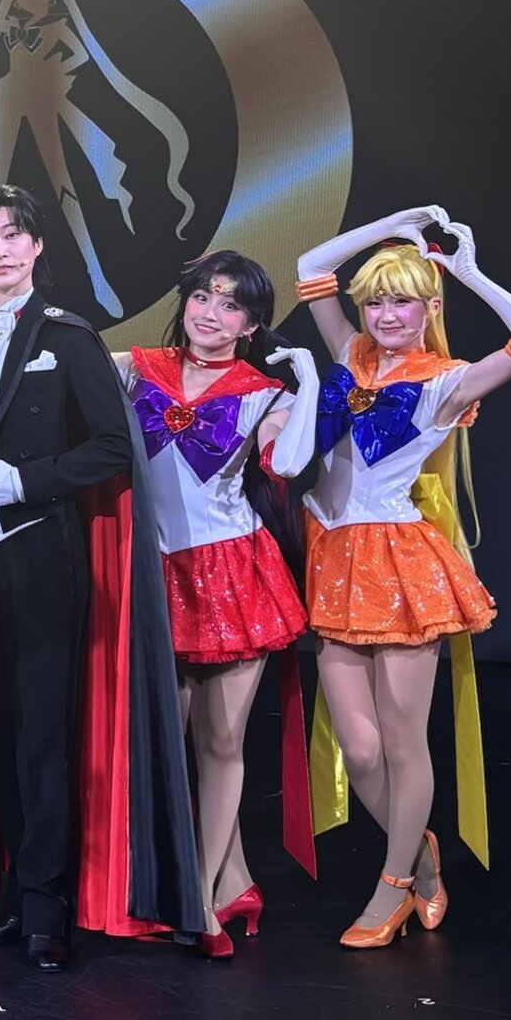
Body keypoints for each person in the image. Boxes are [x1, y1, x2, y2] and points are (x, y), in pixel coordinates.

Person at [0, 182, 199, 971]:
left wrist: (27, 478)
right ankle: (15, 895)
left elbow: (113, 446)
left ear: (39, 244)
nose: (0, 250)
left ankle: (48, 907)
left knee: (44, 732)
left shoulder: (68, 335)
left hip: (41, 549)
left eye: (14, 234)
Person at [295, 207, 511, 947]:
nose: (385, 315)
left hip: (399, 564)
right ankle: (422, 855)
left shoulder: (447, 383)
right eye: (375, 301)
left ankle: (394, 885)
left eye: (402, 301)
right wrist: (397, 222)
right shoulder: (349, 353)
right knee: (360, 750)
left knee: (404, 743)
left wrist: (467, 272)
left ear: (429, 308)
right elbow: (312, 267)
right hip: (332, 558)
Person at [114, 251, 318, 958]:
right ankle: (228, 880)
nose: (210, 313)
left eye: (231, 305)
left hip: (233, 572)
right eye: (202, 296)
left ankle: (201, 896)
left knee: (222, 741)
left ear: (252, 324)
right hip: (153, 572)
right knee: (164, 743)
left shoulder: (265, 394)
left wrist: (307, 384)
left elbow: (288, 464)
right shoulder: (136, 367)